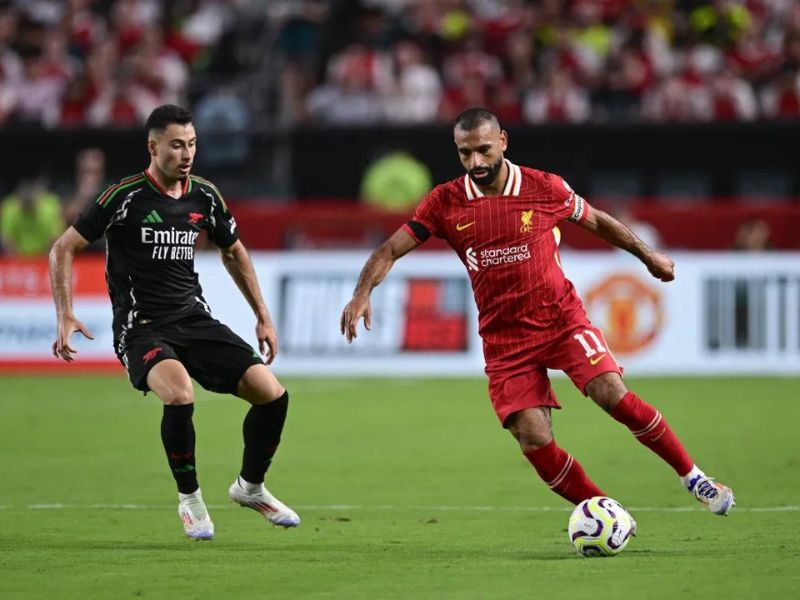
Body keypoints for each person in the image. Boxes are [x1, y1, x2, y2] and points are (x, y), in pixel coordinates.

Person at [341, 107, 734, 520]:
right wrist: (361, 292)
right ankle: (604, 511)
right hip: (505, 341)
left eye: (483, 150)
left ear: (504, 142)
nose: (475, 162)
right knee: (532, 437)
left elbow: (597, 221)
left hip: (561, 321)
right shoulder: (444, 202)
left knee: (611, 393)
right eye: (464, 153)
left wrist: (648, 255)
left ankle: (694, 477)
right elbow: (390, 250)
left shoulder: (543, 187)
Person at [49, 104, 300, 540]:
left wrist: (263, 316)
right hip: (141, 325)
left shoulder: (205, 195)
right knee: (180, 394)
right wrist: (65, 313)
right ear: (153, 146)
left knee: (272, 395)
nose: (187, 154)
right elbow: (62, 249)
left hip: (193, 317)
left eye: (193, 144)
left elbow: (233, 250)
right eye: (177, 145)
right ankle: (191, 500)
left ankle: (250, 487)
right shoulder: (122, 196)